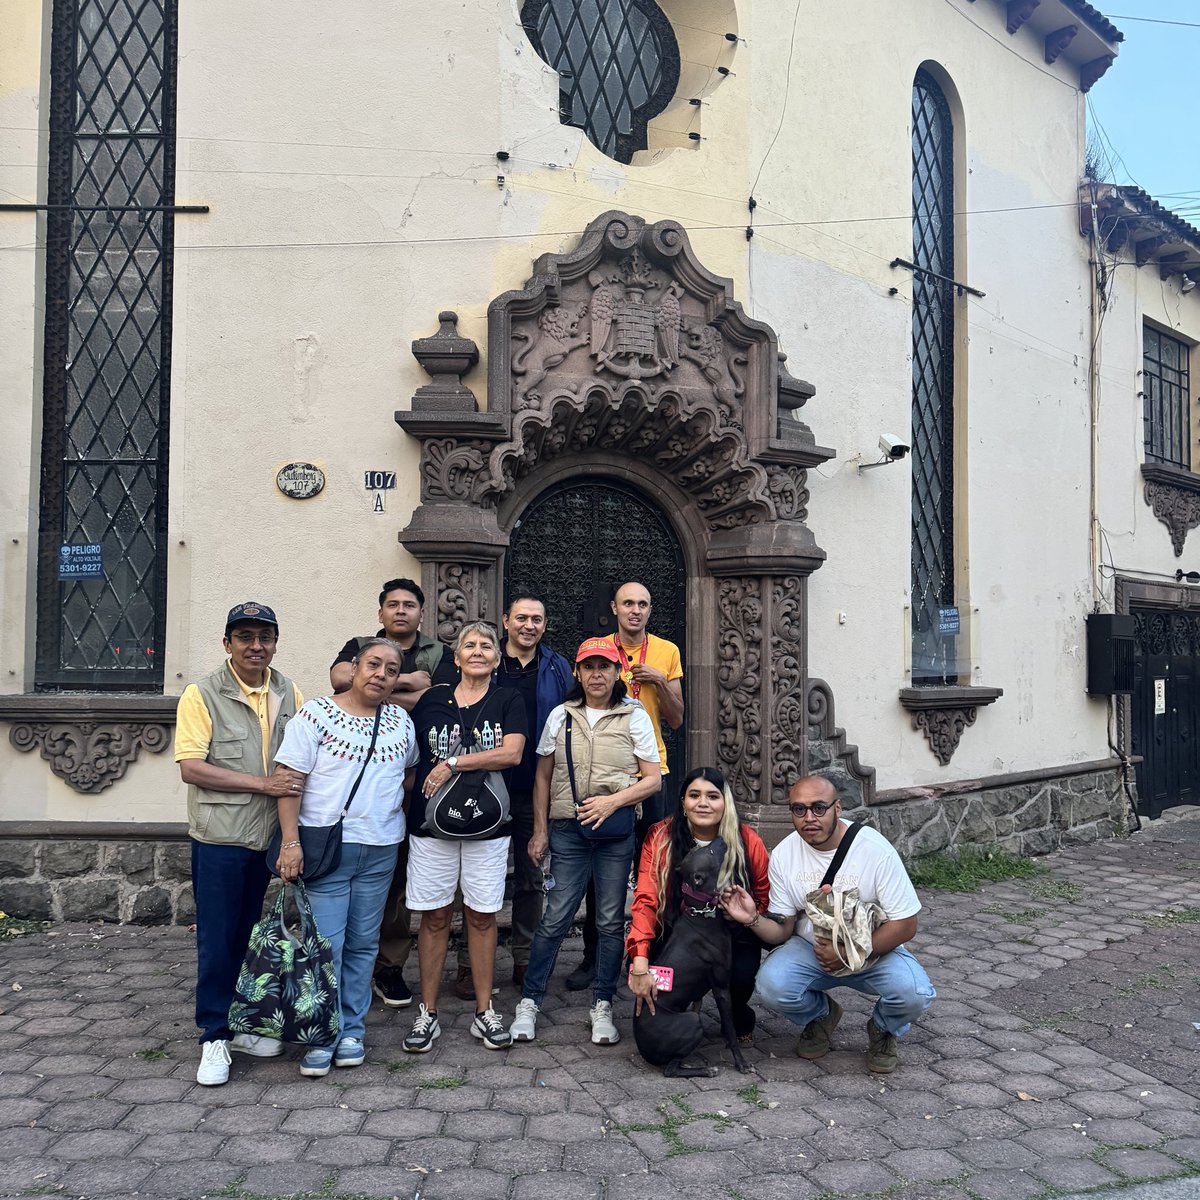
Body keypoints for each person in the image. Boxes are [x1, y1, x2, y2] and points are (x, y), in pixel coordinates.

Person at [721, 776, 936, 1074]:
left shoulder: (875, 850)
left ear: (838, 808)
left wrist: (849, 952)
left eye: (818, 808)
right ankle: (821, 1015)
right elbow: (782, 930)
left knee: (915, 993)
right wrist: (753, 919)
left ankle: (884, 1028)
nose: (809, 818)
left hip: (872, 951)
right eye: (799, 809)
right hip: (812, 951)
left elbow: (906, 924)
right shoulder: (784, 854)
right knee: (772, 985)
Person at [273, 639, 419, 1077]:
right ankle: (322, 1034)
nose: (381, 674)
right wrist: (290, 841)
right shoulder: (316, 714)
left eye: (392, 670)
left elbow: (408, 773)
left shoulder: (400, 721)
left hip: (380, 847)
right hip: (326, 849)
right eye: (373, 664)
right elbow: (288, 780)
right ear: (354, 667)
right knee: (325, 946)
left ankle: (353, 1031)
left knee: (362, 945)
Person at [509, 637, 662, 1047]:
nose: (597, 674)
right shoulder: (562, 715)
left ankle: (603, 1004)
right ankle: (529, 1002)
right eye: (589, 667)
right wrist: (539, 830)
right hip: (567, 831)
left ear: (618, 673)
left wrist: (613, 801)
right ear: (577, 672)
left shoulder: (634, 715)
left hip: (615, 834)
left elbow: (652, 779)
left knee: (610, 920)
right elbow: (543, 776)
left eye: (605, 667)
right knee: (556, 917)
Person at [175, 602, 304, 1086]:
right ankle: (212, 1034)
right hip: (222, 836)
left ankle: (243, 1024)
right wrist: (263, 785)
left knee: (254, 936)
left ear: (275, 642)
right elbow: (192, 766)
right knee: (218, 936)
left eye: (264, 637)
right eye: (245, 637)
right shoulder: (202, 693)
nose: (256, 646)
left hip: (269, 836)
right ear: (227, 643)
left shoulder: (289, 690)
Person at [329, 578, 457, 1011]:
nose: (400, 611)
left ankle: (388, 966)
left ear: (422, 613)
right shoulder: (359, 642)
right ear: (381, 612)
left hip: (416, 773)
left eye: (409, 605)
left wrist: (385, 690)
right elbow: (340, 679)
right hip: (355, 785)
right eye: (392, 605)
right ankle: (338, 967)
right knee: (343, 881)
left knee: (398, 883)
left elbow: (438, 698)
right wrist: (405, 680)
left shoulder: (439, 653)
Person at [403, 622, 527, 1053]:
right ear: (455, 659)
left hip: (488, 825)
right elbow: (411, 756)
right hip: (431, 826)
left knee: (482, 915)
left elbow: (512, 753)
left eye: (486, 646)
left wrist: (453, 762)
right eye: (469, 646)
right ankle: (428, 1012)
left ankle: (482, 1011)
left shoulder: (508, 698)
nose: (478, 651)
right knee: (435, 917)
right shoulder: (432, 700)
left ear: (497, 657)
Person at [569, 580, 684, 991]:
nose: (635, 611)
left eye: (643, 604)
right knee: (600, 872)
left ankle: (651, 956)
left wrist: (659, 682)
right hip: (606, 774)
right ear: (615, 608)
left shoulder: (667, 652)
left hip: (653, 774)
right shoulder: (596, 647)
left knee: (654, 868)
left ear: (650, 610)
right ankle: (594, 957)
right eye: (628, 604)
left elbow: (676, 719)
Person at [626, 766, 770, 1045]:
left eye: (713, 796)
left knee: (740, 975)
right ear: (683, 803)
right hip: (676, 933)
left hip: (731, 933)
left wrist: (748, 915)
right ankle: (677, 1016)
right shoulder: (661, 837)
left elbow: (763, 898)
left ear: (725, 803)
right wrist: (640, 962)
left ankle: (739, 1013)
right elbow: (646, 900)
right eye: (694, 795)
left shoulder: (747, 841)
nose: (703, 803)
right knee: (659, 979)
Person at [497, 592, 574, 988]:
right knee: (482, 877)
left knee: (530, 877)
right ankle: (467, 961)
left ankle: (524, 957)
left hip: (535, 789)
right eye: (522, 618)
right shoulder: (488, 661)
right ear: (506, 620)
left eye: (537, 619)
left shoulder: (558, 667)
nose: (529, 626)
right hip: (488, 787)